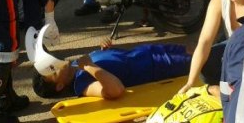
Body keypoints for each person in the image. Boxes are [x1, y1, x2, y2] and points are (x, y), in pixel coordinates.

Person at [32, 43, 191, 99]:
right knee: (204, 58)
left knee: (197, 50)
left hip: (147, 51)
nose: (55, 64)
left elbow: (108, 65)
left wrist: (107, 51)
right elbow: (115, 90)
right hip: (156, 66)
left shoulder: (75, 64)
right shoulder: (81, 85)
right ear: (60, 86)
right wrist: (89, 66)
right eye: (53, 72)